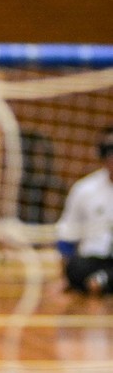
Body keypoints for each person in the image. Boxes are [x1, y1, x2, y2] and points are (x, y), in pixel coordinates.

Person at [56, 126, 113, 295]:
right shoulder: (84, 189)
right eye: (108, 151)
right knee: (75, 269)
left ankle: (101, 281)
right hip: (94, 259)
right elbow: (67, 232)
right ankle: (102, 281)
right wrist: (63, 278)